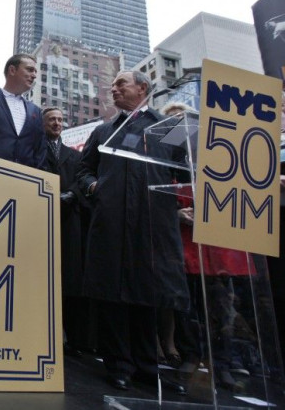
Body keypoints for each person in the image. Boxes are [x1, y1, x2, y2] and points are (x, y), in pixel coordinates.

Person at [77, 71, 189, 395]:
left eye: (120, 84)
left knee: (148, 295)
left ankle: (148, 368)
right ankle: (119, 366)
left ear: (143, 88)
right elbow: (84, 171)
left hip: (152, 224)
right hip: (111, 222)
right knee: (114, 294)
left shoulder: (167, 128)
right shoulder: (103, 132)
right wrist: (94, 187)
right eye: (111, 85)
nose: (113, 88)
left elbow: (183, 168)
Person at [43, 107, 93, 356]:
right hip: (41, 215)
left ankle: (73, 336)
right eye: (52, 119)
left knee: (69, 276)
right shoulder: (37, 150)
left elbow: (81, 178)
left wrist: (72, 194)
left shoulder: (74, 156)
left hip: (68, 218)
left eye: (60, 119)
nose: (57, 123)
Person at [0, 54, 46, 169]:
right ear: (12, 70)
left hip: (25, 181)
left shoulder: (36, 111)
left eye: (35, 71)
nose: (34, 75)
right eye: (29, 70)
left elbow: (40, 151)